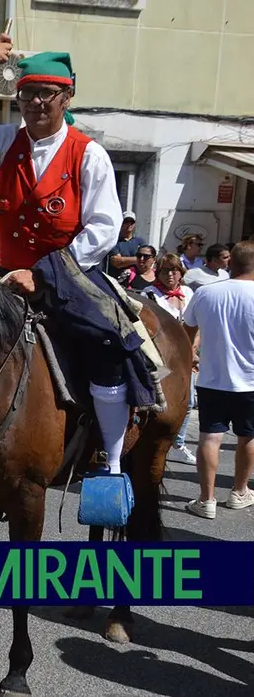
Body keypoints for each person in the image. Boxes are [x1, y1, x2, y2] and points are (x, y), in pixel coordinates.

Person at [0, 39, 148, 483]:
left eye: (47, 93)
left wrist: (45, 274)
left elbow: (104, 227)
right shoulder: (2, 141)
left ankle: (111, 461)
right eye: (28, 92)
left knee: (106, 345)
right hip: (8, 275)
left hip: (72, 274)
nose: (36, 102)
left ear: (67, 97)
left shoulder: (87, 153)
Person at [181, 241, 254, 518]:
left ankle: (206, 499)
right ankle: (239, 492)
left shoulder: (207, 293)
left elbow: (186, 330)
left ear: (230, 263)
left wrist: (190, 355)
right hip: (250, 381)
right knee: (248, 436)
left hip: (212, 378)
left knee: (210, 437)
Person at [140, 253, 196, 463]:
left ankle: (178, 442)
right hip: (161, 355)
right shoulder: (150, 294)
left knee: (188, 401)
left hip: (186, 354)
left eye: (174, 270)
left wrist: (193, 349)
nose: (170, 275)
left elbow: (195, 325)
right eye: (165, 271)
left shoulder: (188, 293)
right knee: (159, 399)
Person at [105, 211, 144, 279]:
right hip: (116, 280)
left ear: (134, 224)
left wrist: (124, 260)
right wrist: (138, 260)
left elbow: (145, 263)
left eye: (131, 222)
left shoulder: (140, 242)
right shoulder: (114, 241)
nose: (129, 224)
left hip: (135, 280)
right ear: (121, 223)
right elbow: (118, 263)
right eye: (126, 222)